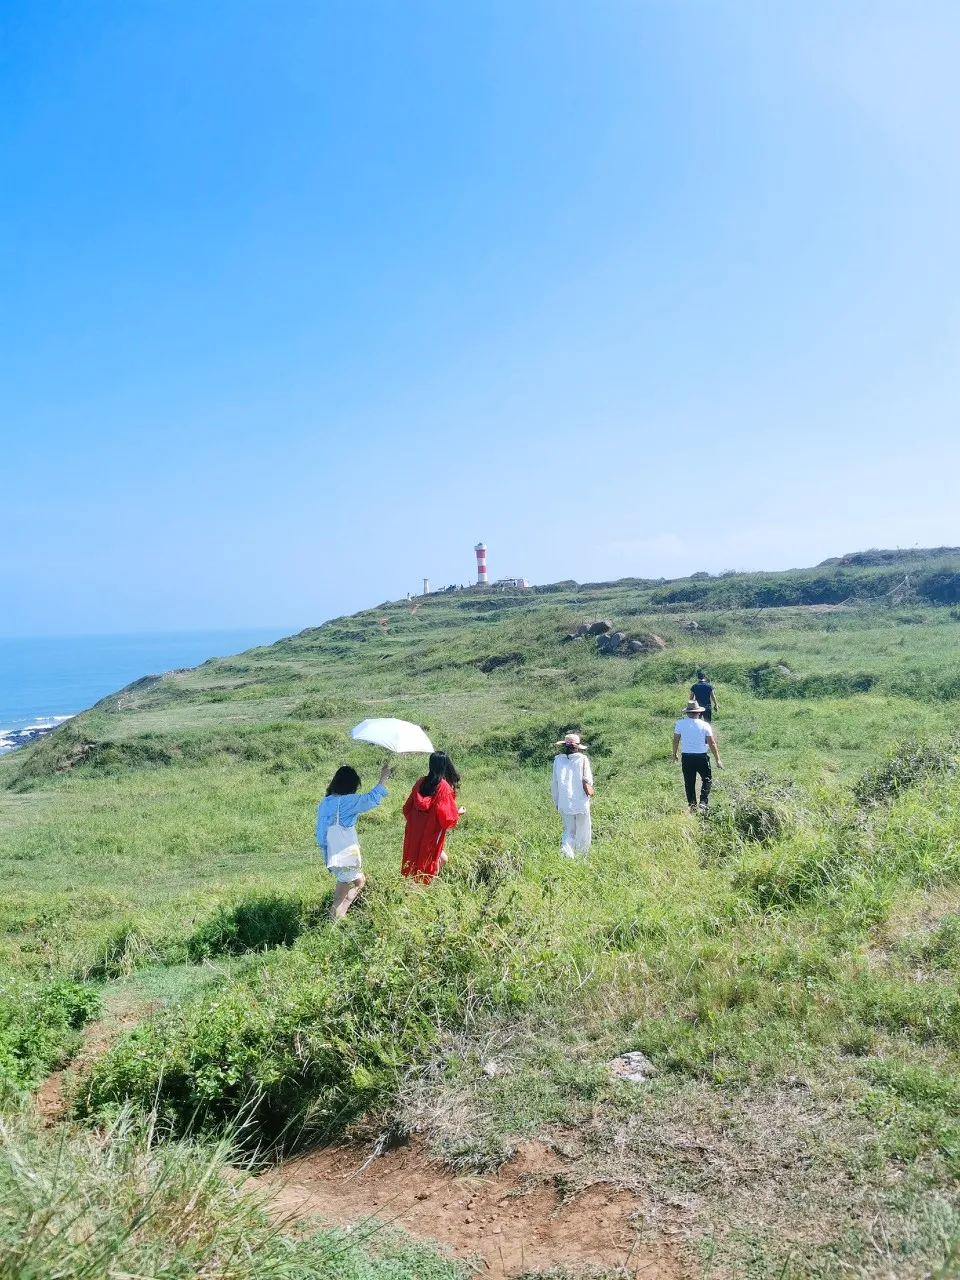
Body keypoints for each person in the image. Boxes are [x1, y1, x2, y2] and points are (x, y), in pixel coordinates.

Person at [316, 762, 392, 920]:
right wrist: (383, 777)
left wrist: (327, 854)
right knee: (338, 899)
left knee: (359, 881)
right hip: (346, 855)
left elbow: (321, 833)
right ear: (350, 785)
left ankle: (341, 915)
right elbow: (371, 799)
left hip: (333, 853)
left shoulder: (326, 802)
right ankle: (335, 922)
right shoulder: (345, 802)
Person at [401, 751, 464, 883]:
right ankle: (420, 893)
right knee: (429, 864)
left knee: (426, 861)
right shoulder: (444, 788)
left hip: (414, 830)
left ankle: (416, 890)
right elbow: (447, 819)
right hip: (431, 833)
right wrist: (458, 813)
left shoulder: (420, 782)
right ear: (445, 766)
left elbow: (407, 809)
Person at [672, 700, 722, 813]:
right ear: (698, 713)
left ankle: (692, 805)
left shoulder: (680, 723)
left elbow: (675, 740)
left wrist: (674, 753)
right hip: (701, 756)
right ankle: (703, 802)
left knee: (689, 781)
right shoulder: (705, 725)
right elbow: (712, 743)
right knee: (707, 778)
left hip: (686, 756)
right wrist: (718, 759)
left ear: (687, 713)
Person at [552, 732, 594, 857]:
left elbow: (555, 784)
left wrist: (557, 801)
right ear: (577, 746)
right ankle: (582, 857)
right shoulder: (582, 759)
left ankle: (567, 854)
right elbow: (588, 780)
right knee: (583, 830)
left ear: (565, 745)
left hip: (564, 802)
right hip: (581, 802)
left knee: (568, 831)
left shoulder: (558, 760)